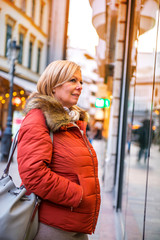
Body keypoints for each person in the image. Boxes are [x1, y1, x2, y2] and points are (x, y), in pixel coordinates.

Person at [17, 60, 101, 240]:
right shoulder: (38, 119)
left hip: (75, 223)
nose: (79, 87)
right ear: (53, 85)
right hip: (54, 227)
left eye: (81, 82)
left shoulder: (72, 121)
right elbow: (33, 174)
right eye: (72, 80)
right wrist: (78, 195)